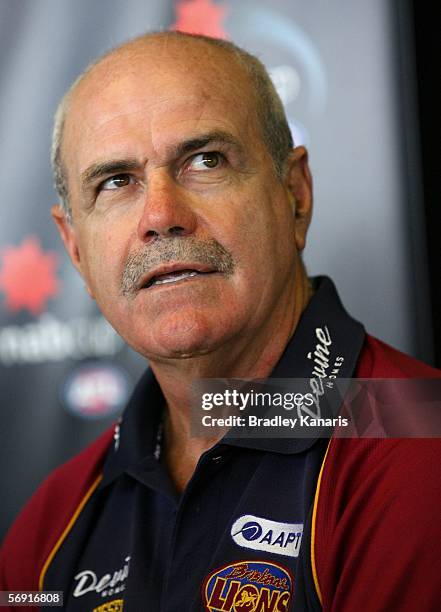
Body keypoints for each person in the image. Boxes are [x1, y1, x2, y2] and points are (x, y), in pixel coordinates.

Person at [0, 31, 440, 612]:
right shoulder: (48, 524)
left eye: (205, 161)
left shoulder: (420, 445)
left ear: (295, 195)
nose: (160, 216)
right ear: (76, 250)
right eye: (116, 182)